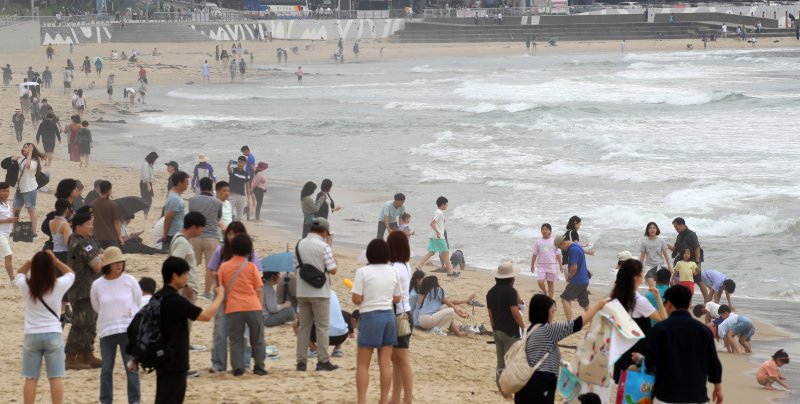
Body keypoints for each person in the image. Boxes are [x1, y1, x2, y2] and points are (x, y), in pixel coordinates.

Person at [633, 285, 723, 404]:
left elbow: (650, 362)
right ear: (688, 303)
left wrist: (640, 360)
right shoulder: (703, 330)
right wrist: (718, 388)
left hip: (666, 397)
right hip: (696, 397)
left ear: (669, 304)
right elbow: (714, 363)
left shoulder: (660, 329)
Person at [154, 257, 224, 404]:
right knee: (172, 398)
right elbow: (205, 316)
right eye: (185, 274)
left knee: (162, 397)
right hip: (175, 358)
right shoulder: (175, 301)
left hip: (160, 356)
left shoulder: (157, 296)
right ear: (175, 276)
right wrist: (220, 296)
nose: (187, 277)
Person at [514, 295, 607, 403]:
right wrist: (599, 305)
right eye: (552, 311)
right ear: (543, 312)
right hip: (540, 387)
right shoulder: (547, 330)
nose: (553, 315)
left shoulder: (530, 330)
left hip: (524, 387)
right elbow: (577, 324)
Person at [16, 250, 74, 404]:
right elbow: (71, 274)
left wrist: (31, 259)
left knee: (31, 378)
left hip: (32, 334)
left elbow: (19, 273)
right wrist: (55, 261)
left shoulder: (27, 286)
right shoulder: (57, 285)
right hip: (53, 333)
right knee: (55, 378)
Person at [207, 221, 262, 373]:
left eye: (236, 234)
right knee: (220, 332)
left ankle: (243, 364)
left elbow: (257, 273)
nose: (232, 237)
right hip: (223, 297)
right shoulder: (221, 250)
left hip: (242, 300)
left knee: (242, 334)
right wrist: (219, 280)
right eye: (230, 234)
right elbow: (212, 269)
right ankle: (218, 364)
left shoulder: (250, 254)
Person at [352, 238, 402, 404]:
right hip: (388, 316)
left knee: (362, 365)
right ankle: (382, 400)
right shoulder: (393, 271)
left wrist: (368, 296)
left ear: (369, 254)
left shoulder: (363, 272)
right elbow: (396, 298)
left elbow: (357, 299)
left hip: (370, 316)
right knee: (385, 364)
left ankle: (362, 401)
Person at [90, 247, 141, 404]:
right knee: (106, 370)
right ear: (108, 265)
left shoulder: (129, 280)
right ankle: (106, 401)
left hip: (127, 331)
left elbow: (137, 302)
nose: (119, 265)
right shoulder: (97, 284)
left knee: (131, 368)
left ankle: (134, 401)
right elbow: (96, 306)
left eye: (121, 262)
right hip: (107, 332)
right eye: (115, 262)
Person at [217, 234, 268, 376]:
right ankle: (259, 366)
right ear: (249, 250)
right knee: (257, 338)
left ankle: (238, 367)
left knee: (236, 339)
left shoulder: (224, 267)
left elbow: (221, 290)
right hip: (252, 305)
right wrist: (261, 306)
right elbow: (259, 288)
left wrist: (226, 305)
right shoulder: (251, 267)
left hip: (233, 307)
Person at [610, 259, 666, 383]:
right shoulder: (639, 301)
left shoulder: (616, 296)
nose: (643, 277)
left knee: (624, 387)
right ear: (635, 277)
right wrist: (658, 299)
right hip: (638, 350)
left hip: (622, 347)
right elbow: (663, 320)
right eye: (642, 273)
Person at [295, 217, 339, 372]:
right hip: (320, 292)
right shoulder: (324, 246)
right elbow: (332, 269)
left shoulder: (299, 244)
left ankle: (301, 362)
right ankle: (323, 361)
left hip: (302, 290)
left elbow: (296, 267)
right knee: (322, 327)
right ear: (324, 231)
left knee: (303, 327)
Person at [66, 206, 103, 370]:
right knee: (80, 324)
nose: (92, 226)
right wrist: (101, 257)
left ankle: (87, 354)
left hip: (90, 288)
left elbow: (99, 253)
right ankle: (71, 357)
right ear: (78, 226)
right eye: (89, 223)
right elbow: (97, 265)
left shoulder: (88, 240)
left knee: (90, 322)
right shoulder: (80, 243)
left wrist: (100, 256)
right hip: (81, 290)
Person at [169, 211, 206, 364]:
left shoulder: (183, 239)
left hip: (185, 289)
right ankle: (180, 362)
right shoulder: (182, 242)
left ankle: (183, 351)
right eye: (201, 227)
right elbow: (175, 264)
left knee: (185, 326)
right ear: (193, 227)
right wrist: (185, 285)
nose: (202, 230)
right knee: (183, 327)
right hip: (185, 291)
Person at [487, 262, 525, 388]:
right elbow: (515, 312)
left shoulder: (491, 292)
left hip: (497, 329)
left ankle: (500, 385)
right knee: (512, 360)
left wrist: (494, 328)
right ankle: (511, 386)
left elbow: (490, 314)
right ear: (511, 278)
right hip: (510, 330)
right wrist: (523, 326)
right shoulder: (510, 291)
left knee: (500, 361)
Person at [188, 177, 222, 300]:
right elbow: (218, 218)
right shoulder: (217, 202)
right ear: (212, 187)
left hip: (195, 236)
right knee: (210, 267)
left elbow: (191, 215)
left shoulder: (192, 200)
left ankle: (190, 288)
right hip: (211, 237)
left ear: (200, 187)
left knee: (192, 265)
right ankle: (207, 292)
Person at [416, 196, 458, 276]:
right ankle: (450, 272)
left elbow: (433, 222)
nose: (447, 206)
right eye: (446, 204)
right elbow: (432, 223)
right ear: (442, 204)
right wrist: (438, 232)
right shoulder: (439, 213)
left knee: (431, 253)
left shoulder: (437, 212)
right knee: (446, 253)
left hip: (434, 236)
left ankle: (418, 267)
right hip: (439, 237)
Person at [554, 234, 591, 322]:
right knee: (585, 304)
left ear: (562, 243)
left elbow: (574, 267)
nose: (561, 250)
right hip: (584, 279)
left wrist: (569, 277)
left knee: (564, 298)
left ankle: (569, 323)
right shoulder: (576, 246)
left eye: (559, 247)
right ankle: (595, 321)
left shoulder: (573, 250)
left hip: (577, 280)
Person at [669, 217, 707, 298]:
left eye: (676, 227)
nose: (675, 229)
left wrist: (698, 263)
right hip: (682, 262)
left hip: (693, 261)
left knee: (698, 281)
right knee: (681, 281)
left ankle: (707, 301)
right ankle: (683, 300)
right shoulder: (679, 236)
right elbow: (675, 249)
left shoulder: (691, 234)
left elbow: (697, 248)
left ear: (682, 225)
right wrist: (664, 245)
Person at [12, 143, 45, 236]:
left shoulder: (34, 161)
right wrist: (12, 160)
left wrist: (30, 153)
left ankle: (34, 233)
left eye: (28, 147)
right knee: (16, 210)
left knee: (31, 211)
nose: (25, 148)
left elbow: (27, 165)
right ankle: (14, 231)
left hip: (29, 189)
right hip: (20, 189)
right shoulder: (22, 160)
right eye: (25, 147)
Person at [530, 223, 561, 299]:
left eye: (546, 229)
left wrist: (560, 265)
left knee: (550, 284)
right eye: (543, 229)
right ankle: (544, 292)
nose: (545, 231)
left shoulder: (554, 241)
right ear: (541, 231)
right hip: (541, 265)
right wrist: (532, 265)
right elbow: (534, 254)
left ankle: (550, 300)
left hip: (552, 265)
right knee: (540, 282)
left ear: (550, 231)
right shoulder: (538, 242)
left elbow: (558, 254)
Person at [90, 180, 123, 249]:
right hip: (111, 237)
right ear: (109, 191)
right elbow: (117, 222)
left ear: (99, 190)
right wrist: (120, 237)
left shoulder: (92, 204)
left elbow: (90, 220)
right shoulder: (113, 205)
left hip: (97, 236)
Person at [639, 221, 672, 288]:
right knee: (651, 287)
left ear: (656, 230)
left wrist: (669, 267)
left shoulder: (661, 241)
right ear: (647, 230)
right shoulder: (644, 242)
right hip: (649, 266)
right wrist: (639, 269)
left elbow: (666, 255)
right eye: (650, 228)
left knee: (661, 287)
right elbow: (642, 257)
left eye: (654, 228)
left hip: (660, 266)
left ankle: (660, 298)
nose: (652, 229)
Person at [161, 171, 189, 249]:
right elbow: (168, 218)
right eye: (186, 182)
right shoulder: (175, 199)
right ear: (179, 183)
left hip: (175, 233)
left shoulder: (173, 193)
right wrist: (165, 235)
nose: (188, 184)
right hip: (174, 234)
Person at [0, 182, 17, 284]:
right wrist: (7, 221)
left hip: (6, 234)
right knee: (8, 255)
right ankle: (13, 280)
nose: (6, 193)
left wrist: (13, 220)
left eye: (7, 191)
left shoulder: (6, 203)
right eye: (3, 191)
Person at [227, 156, 251, 222]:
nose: (240, 164)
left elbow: (247, 187)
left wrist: (248, 199)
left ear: (245, 164)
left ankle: (237, 231)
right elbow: (229, 169)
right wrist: (229, 164)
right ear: (237, 162)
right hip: (232, 195)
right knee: (229, 214)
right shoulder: (233, 170)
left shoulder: (246, 174)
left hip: (241, 196)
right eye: (239, 162)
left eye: (242, 163)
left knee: (239, 217)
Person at [139, 152, 158, 219]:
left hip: (147, 183)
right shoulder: (146, 164)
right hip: (145, 183)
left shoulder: (148, 164)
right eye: (155, 159)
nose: (155, 161)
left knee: (147, 199)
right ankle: (145, 214)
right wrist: (148, 186)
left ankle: (145, 214)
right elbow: (146, 175)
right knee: (147, 200)